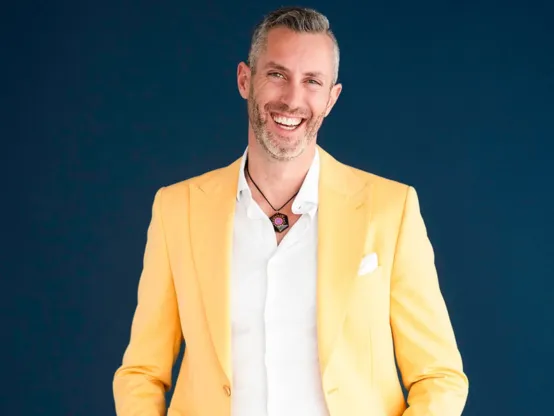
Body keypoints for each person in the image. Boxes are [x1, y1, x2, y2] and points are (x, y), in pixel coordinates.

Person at [113, 6, 469, 416]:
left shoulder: (391, 209)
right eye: (277, 74)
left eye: (312, 81)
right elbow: (141, 372)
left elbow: (439, 376)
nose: (292, 99)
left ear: (331, 98)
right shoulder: (178, 209)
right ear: (245, 79)